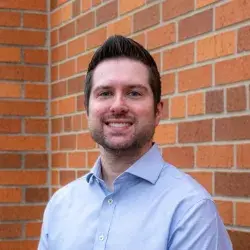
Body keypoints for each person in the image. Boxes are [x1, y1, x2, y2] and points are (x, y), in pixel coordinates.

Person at [38, 35, 233, 250]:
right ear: (87, 110)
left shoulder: (191, 210)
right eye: (105, 93)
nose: (118, 105)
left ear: (158, 111)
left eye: (133, 93)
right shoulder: (60, 206)